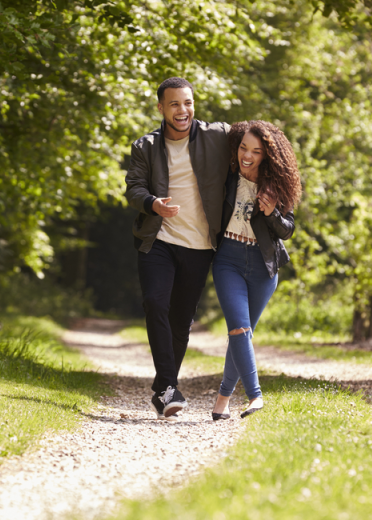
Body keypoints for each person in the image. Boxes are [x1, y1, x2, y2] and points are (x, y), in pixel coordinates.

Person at [125, 77, 230, 421]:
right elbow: (134, 188)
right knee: (155, 302)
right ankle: (169, 388)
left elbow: (253, 138)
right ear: (161, 108)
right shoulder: (146, 147)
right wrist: (153, 204)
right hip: (158, 240)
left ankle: (162, 389)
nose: (182, 111)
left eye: (187, 103)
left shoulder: (216, 136)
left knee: (181, 320)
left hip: (200, 246)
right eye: (174, 104)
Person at [210, 120, 302, 421]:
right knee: (238, 328)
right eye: (243, 148)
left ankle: (221, 402)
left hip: (263, 267)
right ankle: (255, 396)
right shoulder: (227, 178)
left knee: (243, 335)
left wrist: (272, 211)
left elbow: (287, 229)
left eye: (256, 151)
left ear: (267, 155)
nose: (246, 155)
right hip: (228, 260)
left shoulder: (275, 187)